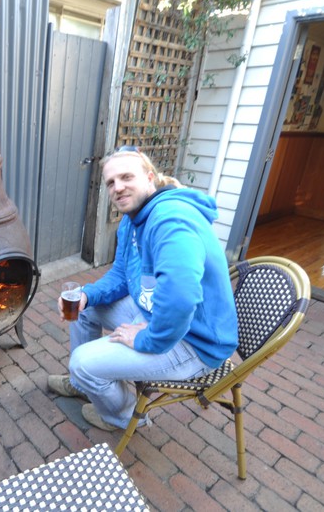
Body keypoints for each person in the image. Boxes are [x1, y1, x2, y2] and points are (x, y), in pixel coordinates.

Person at [48, 146, 238, 431]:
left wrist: (147, 338)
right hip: (157, 315)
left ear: (150, 178)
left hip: (195, 342)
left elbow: (181, 299)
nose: (118, 187)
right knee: (86, 310)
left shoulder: (171, 220)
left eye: (126, 177)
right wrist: (87, 295)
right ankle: (85, 386)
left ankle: (123, 416)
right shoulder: (132, 219)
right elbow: (122, 276)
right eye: (111, 182)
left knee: (82, 362)